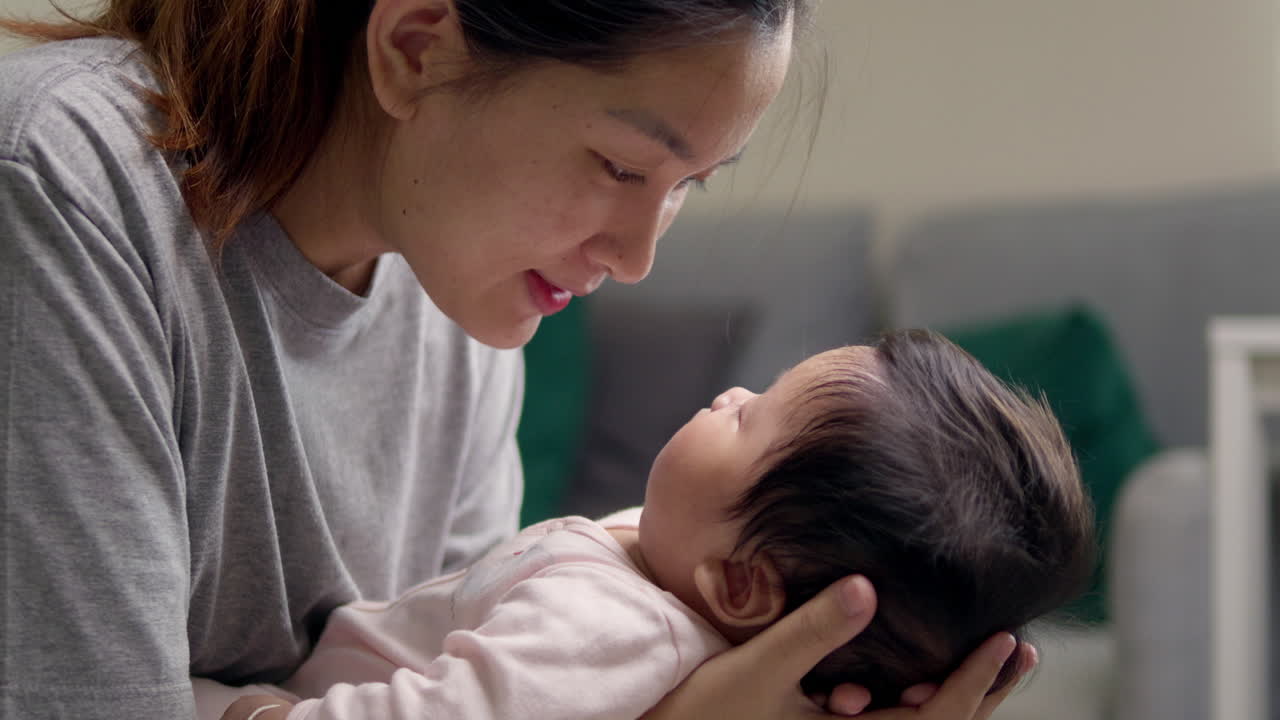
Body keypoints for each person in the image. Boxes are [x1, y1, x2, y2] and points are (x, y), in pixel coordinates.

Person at [0, 1, 1034, 718]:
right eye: (620, 166)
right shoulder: (64, 184)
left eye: (689, 184)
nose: (636, 257)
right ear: (415, 49)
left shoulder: (465, 292)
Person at [207, 332, 1094, 720]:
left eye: (750, 418)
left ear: (739, 585)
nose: (732, 393)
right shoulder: (674, 566)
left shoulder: (605, 634)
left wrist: (249, 712)